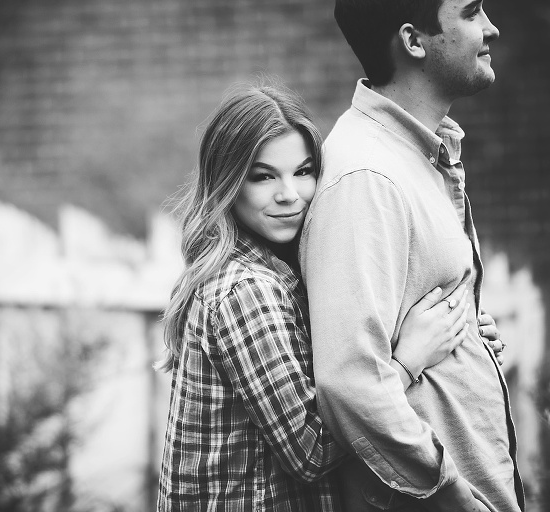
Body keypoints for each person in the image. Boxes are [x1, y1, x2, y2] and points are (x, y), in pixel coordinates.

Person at [154, 84, 500, 511]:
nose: (289, 194)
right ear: (228, 183)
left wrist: (460, 341)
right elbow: (310, 451)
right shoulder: (246, 291)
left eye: (302, 171)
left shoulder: (285, 272)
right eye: (263, 176)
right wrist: (410, 358)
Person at [300, 1, 522, 511]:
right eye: (470, 13)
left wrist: (469, 340)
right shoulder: (368, 177)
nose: (492, 27)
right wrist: (453, 497)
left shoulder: (418, 155)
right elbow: (350, 383)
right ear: (414, 41)